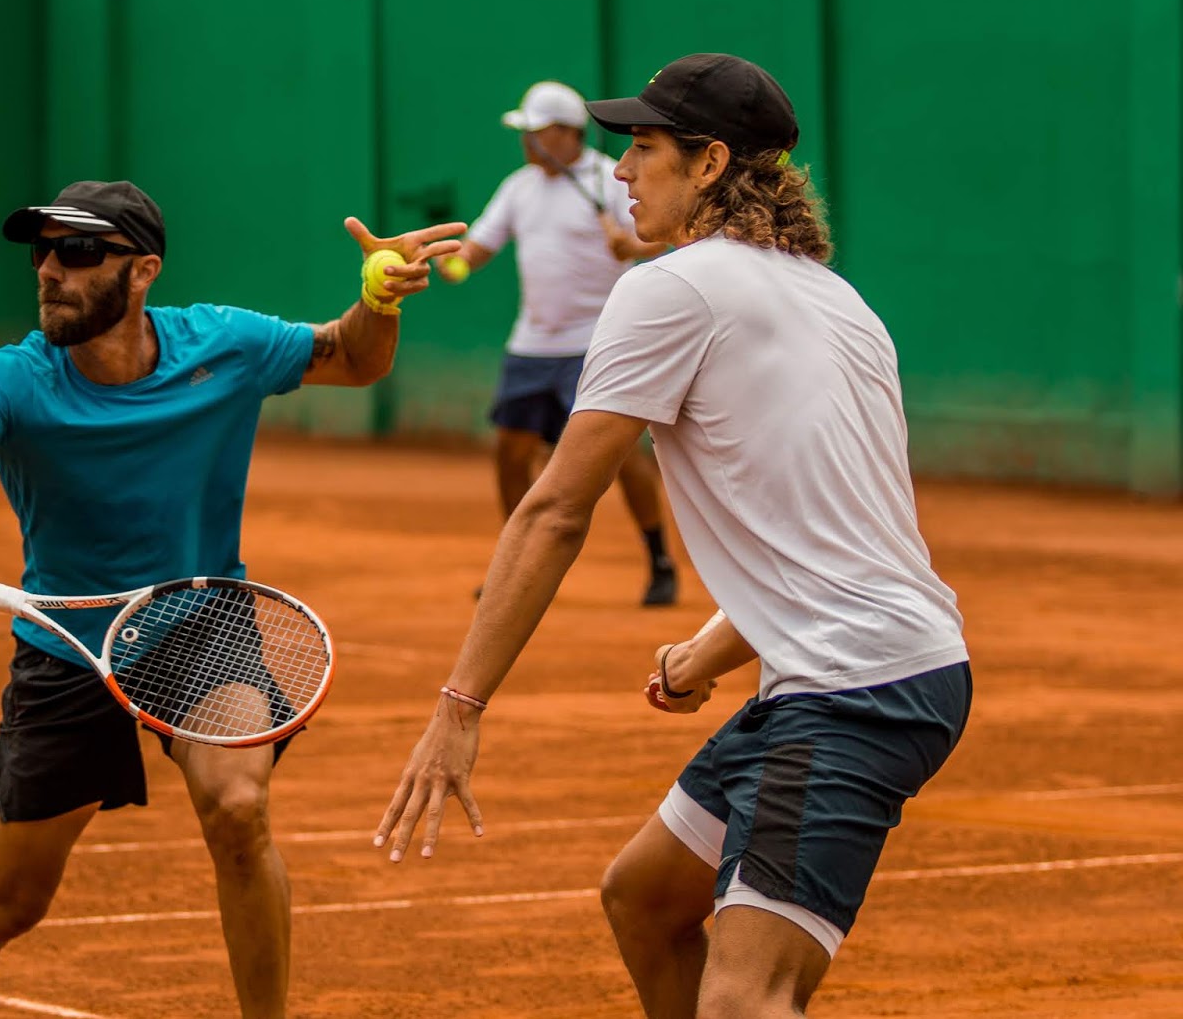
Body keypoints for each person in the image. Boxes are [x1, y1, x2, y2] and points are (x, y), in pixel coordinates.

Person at [375, 54, 971, 1018]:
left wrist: (460, 706)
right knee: (646, 900)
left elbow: (557, 508)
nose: (619, 171)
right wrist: (711, 648)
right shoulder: (840, 301)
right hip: (888, 660)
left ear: (709, 165)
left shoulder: (672, 290)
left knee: (747, 999)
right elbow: (840, 535)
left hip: (854, 684)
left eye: (642, 148)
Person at [0, 179, 464, 1019]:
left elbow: (354, 356)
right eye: (43, 251)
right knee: (9, 905)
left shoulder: (222, 345)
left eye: (79, 252)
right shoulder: (13, 378)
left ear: (143, 270)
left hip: (200, 620)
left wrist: (376, 299)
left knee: (238, 807)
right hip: (66, 645)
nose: (50, 269)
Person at [434, 79, 678, 606]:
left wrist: (629, 245)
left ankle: (659, 559)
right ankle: (516, 561)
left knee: (621, 460)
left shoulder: (609, 176)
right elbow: (476, 250)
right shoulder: (519, 186)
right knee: (509, 451)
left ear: (568, 133)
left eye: (535, 132)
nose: (526, 143)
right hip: (530, 346)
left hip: (596, 343)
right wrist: (446, 266)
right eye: (524, 133)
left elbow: (661, 235)